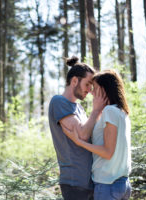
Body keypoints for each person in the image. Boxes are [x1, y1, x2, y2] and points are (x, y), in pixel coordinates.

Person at [62, 69, 132, 200]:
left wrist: (79, 142)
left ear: (105, 90)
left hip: (107, 185)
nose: (91, 92)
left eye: (95, 88)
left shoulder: (110, 111)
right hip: (123, 185)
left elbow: (107, 152)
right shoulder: (122, 112)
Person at [48, 56, 107, 200]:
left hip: (90, 181)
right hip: (74, 183)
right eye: (87, 84)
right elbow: (82, 135)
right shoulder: (59, 102)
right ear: (75, 81)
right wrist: (96, 111)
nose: (90, 90)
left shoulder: (79, 108)